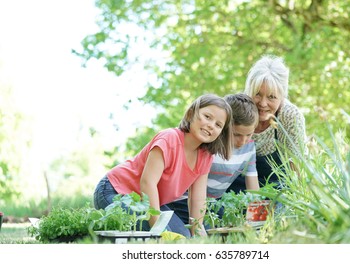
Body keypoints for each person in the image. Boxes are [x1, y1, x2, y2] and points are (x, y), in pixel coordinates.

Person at [93, 94, 234, 238]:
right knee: (165, 236)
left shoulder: (206, 155)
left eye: (218, 125)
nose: (211, 125)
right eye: (207, 117)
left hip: (146, 198)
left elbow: (197, 198)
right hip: (116, 191)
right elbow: (148, 182)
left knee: (183, 236)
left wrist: (198, 230)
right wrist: (158, 229)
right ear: (191, 113)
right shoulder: (169, 139)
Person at [167, 93, 260, 224]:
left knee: (230, 229)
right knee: (208, 231)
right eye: (236, 134)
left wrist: (257, 222)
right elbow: (194, 193)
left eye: (249, 134)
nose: (243, 141)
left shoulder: (249, 146)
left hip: (213, 204)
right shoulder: (209, 144)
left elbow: (253, 189)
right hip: (185, 201)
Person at [227, 55, 307, 193]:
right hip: (235, 188)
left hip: (276, 190)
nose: (263, 104)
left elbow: (298, 167)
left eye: (271, 97)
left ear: (282, 96)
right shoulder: (236, 108)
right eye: (257, 94)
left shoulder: (289, 116)